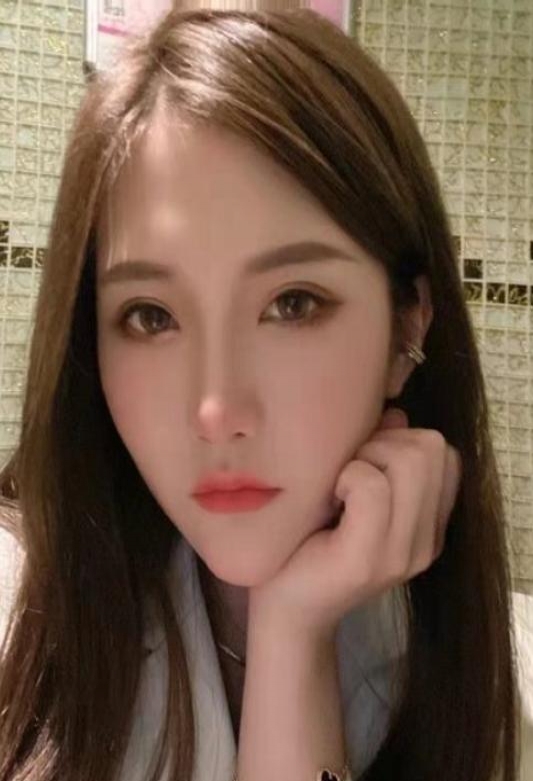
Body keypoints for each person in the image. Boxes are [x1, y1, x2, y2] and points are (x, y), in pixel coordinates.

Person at [0, 5, 528, 781]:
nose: (217, 410)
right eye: (151, 316)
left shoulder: (480, 675)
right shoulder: (17, 606)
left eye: (293, 303)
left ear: (405, 329)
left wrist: (294, 635)